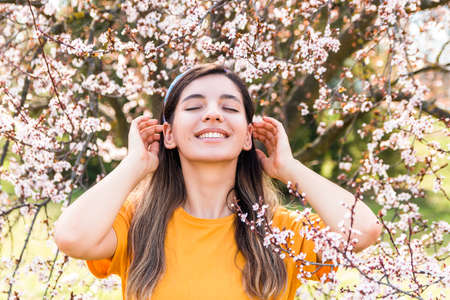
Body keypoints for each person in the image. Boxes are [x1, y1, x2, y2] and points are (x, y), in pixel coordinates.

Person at [54, 64, 381, 300]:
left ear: (247, 136)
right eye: (194, 106)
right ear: (169, 133)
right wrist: (133, 165)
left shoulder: (279, 233)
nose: (212, 114)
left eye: (229, 107)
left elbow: (363, 231)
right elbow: (71, 237)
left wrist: (290, 168)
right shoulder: (138, 224)